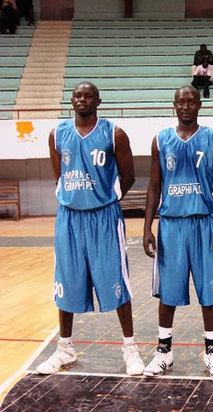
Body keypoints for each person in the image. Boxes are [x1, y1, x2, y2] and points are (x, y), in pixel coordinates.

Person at [36, 82, 144, 376]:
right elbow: (59, 177)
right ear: (71, 101)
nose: (82, 100)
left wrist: (105, 198)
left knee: (116, 280)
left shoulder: (114, 133)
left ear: (98, 100)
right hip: (69, 218)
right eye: (77, 96)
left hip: (104, 217)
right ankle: (65, 349)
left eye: (88, 96)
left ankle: (130, 349)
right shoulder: (57, 134)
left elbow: (129, 176)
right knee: (66, 282)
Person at [142, 86, 213, 379]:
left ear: (200, 104)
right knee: (168, 292)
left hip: (204, 223)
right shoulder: (161, 139)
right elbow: (154, 186)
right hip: (171, 224)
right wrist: (147, 228)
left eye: (191, 101)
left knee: (209, 291)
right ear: (174, 104)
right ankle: (164, 352)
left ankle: (212, 351)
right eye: (181, 101)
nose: (186, 106)